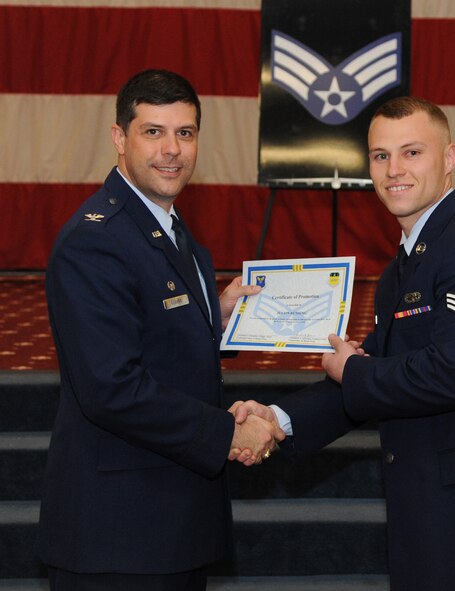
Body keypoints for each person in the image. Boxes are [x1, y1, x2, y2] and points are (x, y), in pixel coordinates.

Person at [233, 96, 455, 590]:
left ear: (449, 159)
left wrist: (354, 372)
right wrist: (278, 420)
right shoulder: (406, 266)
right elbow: (374, 370)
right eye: (381, 156)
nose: (394, 169)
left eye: (412, 153)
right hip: (443, 519)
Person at [39, 69, 283, 591]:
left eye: (185, 133)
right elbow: (111, 388)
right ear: (119, 138)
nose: (171, 150)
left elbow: (148, 330)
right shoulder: (96, 241)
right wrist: (229, 432)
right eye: (153, 132)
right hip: (118, 537)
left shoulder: (172, 230)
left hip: (169, 523)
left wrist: (212, 318)